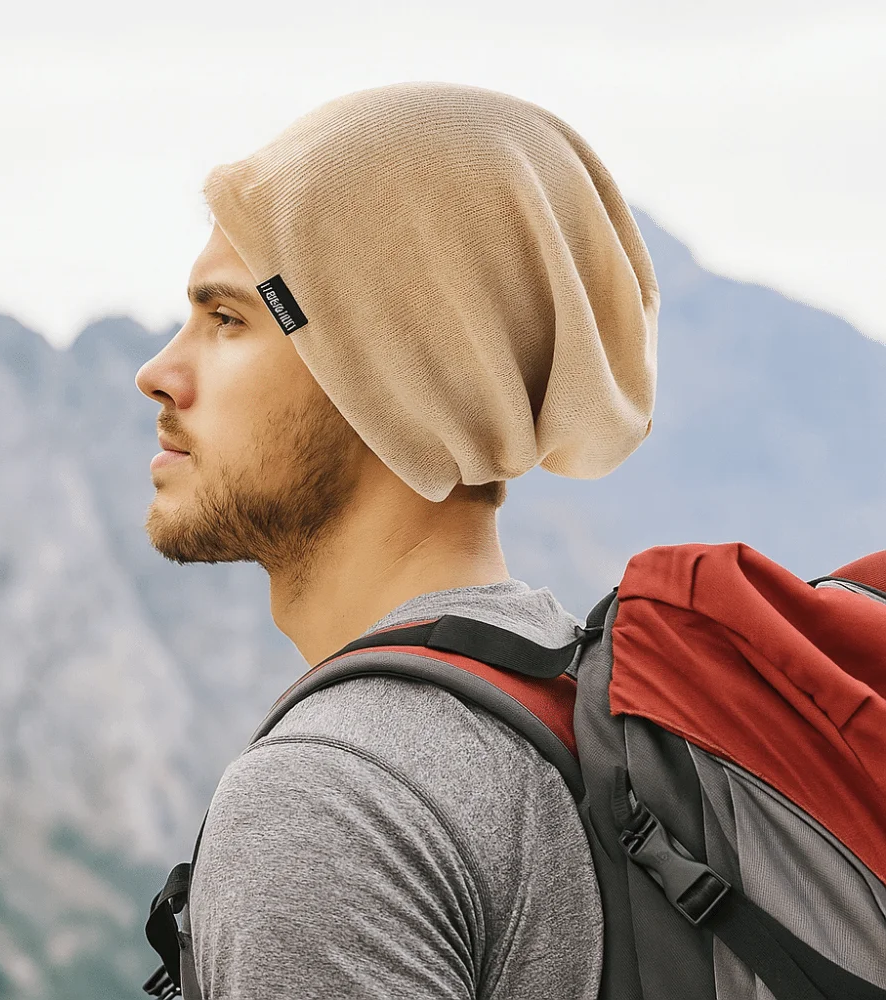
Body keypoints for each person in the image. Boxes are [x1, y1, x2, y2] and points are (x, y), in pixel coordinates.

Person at [135, 80, 659, 1000]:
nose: (159, 373)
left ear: (383, 376)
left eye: (227, 320)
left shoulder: (333, 799)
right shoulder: (576, 703)